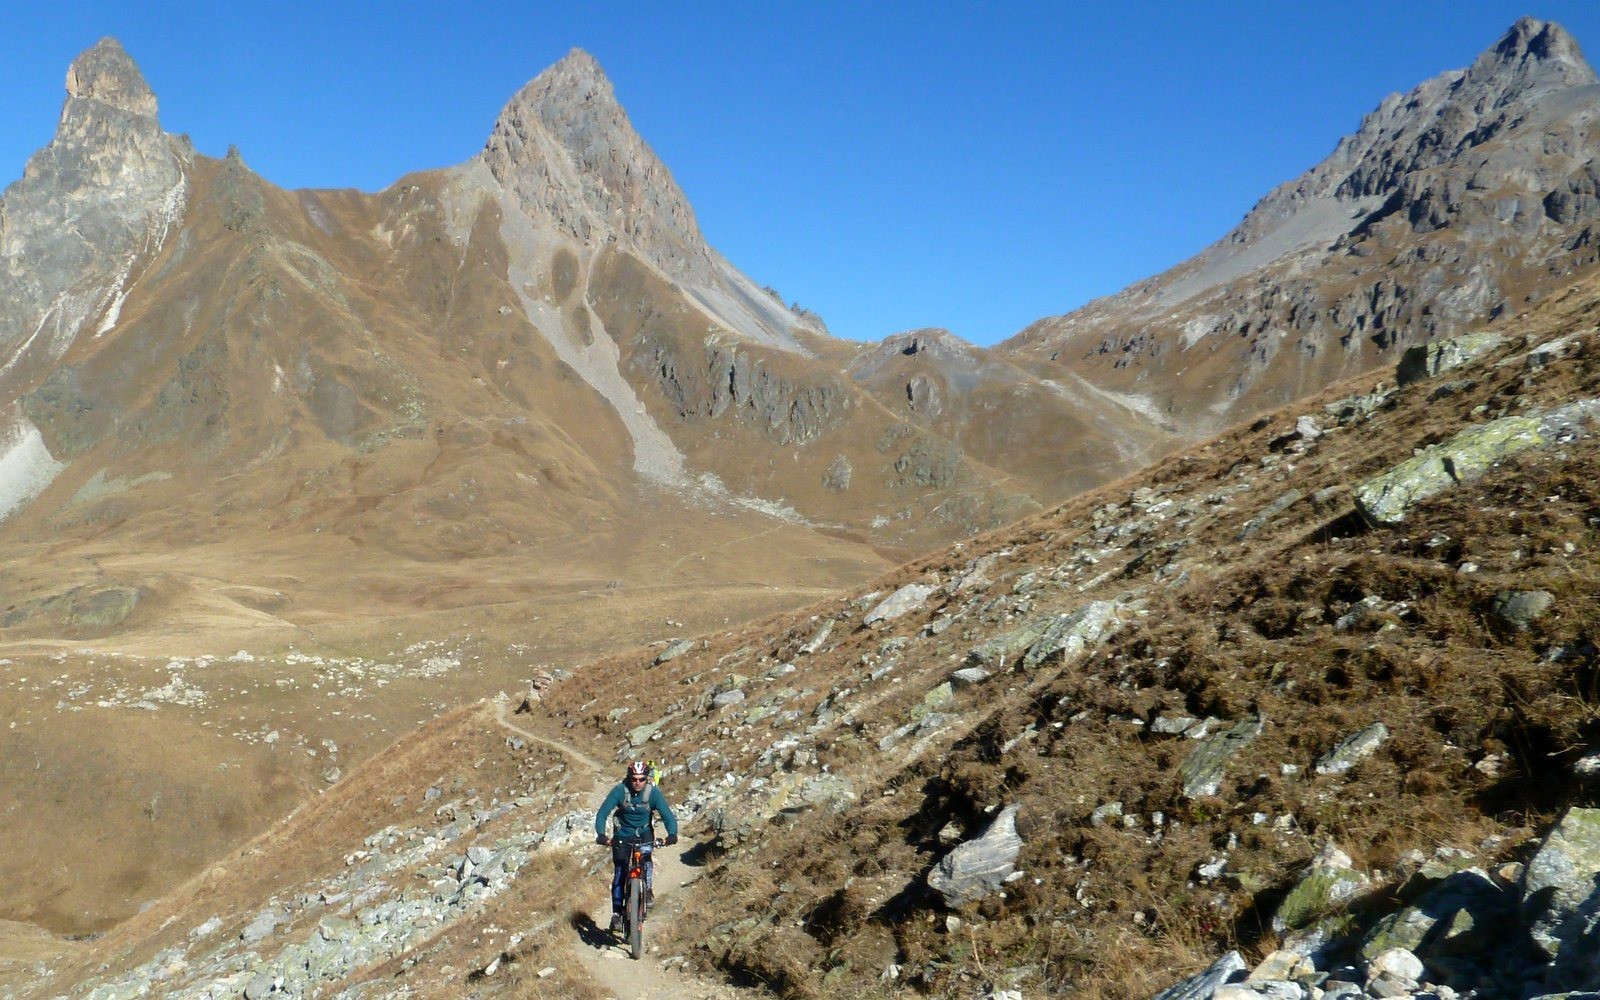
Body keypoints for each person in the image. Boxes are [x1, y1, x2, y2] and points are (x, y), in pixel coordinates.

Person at [594, 760, 678, 933]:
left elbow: (668, 816)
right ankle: (617, 914)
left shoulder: (652, 793)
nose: (637, 783)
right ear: (628, 778)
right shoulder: (619, 791)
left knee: (646, 861)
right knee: (620, 871)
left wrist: (672, 835)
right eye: (634, 779)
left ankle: (647, 890)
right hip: (622, 835)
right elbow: (602, 813)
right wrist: (602, 835)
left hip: (644, 833)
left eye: (641, 779)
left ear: (646, 779)